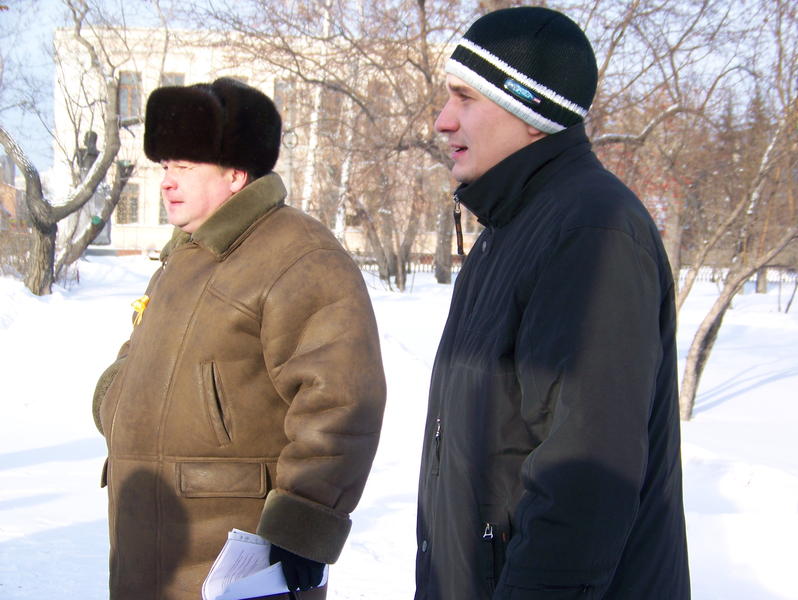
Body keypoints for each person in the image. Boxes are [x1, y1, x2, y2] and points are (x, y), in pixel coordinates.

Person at [415, 7, 690, 599]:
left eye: (465, 98)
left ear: (530, 111)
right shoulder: (511, 228)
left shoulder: (590, 232)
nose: (443, 120)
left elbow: (584, 482)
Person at [92, 77, 386, 600]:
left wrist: (303, 522)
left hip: (230, 561)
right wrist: (114, 399)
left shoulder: (298, 253)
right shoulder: (185, 254)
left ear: (235, 174)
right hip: (153, 546)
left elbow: (341, 399)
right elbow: (145, 357)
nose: (167, 182)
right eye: (165, 167)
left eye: (185, 167)